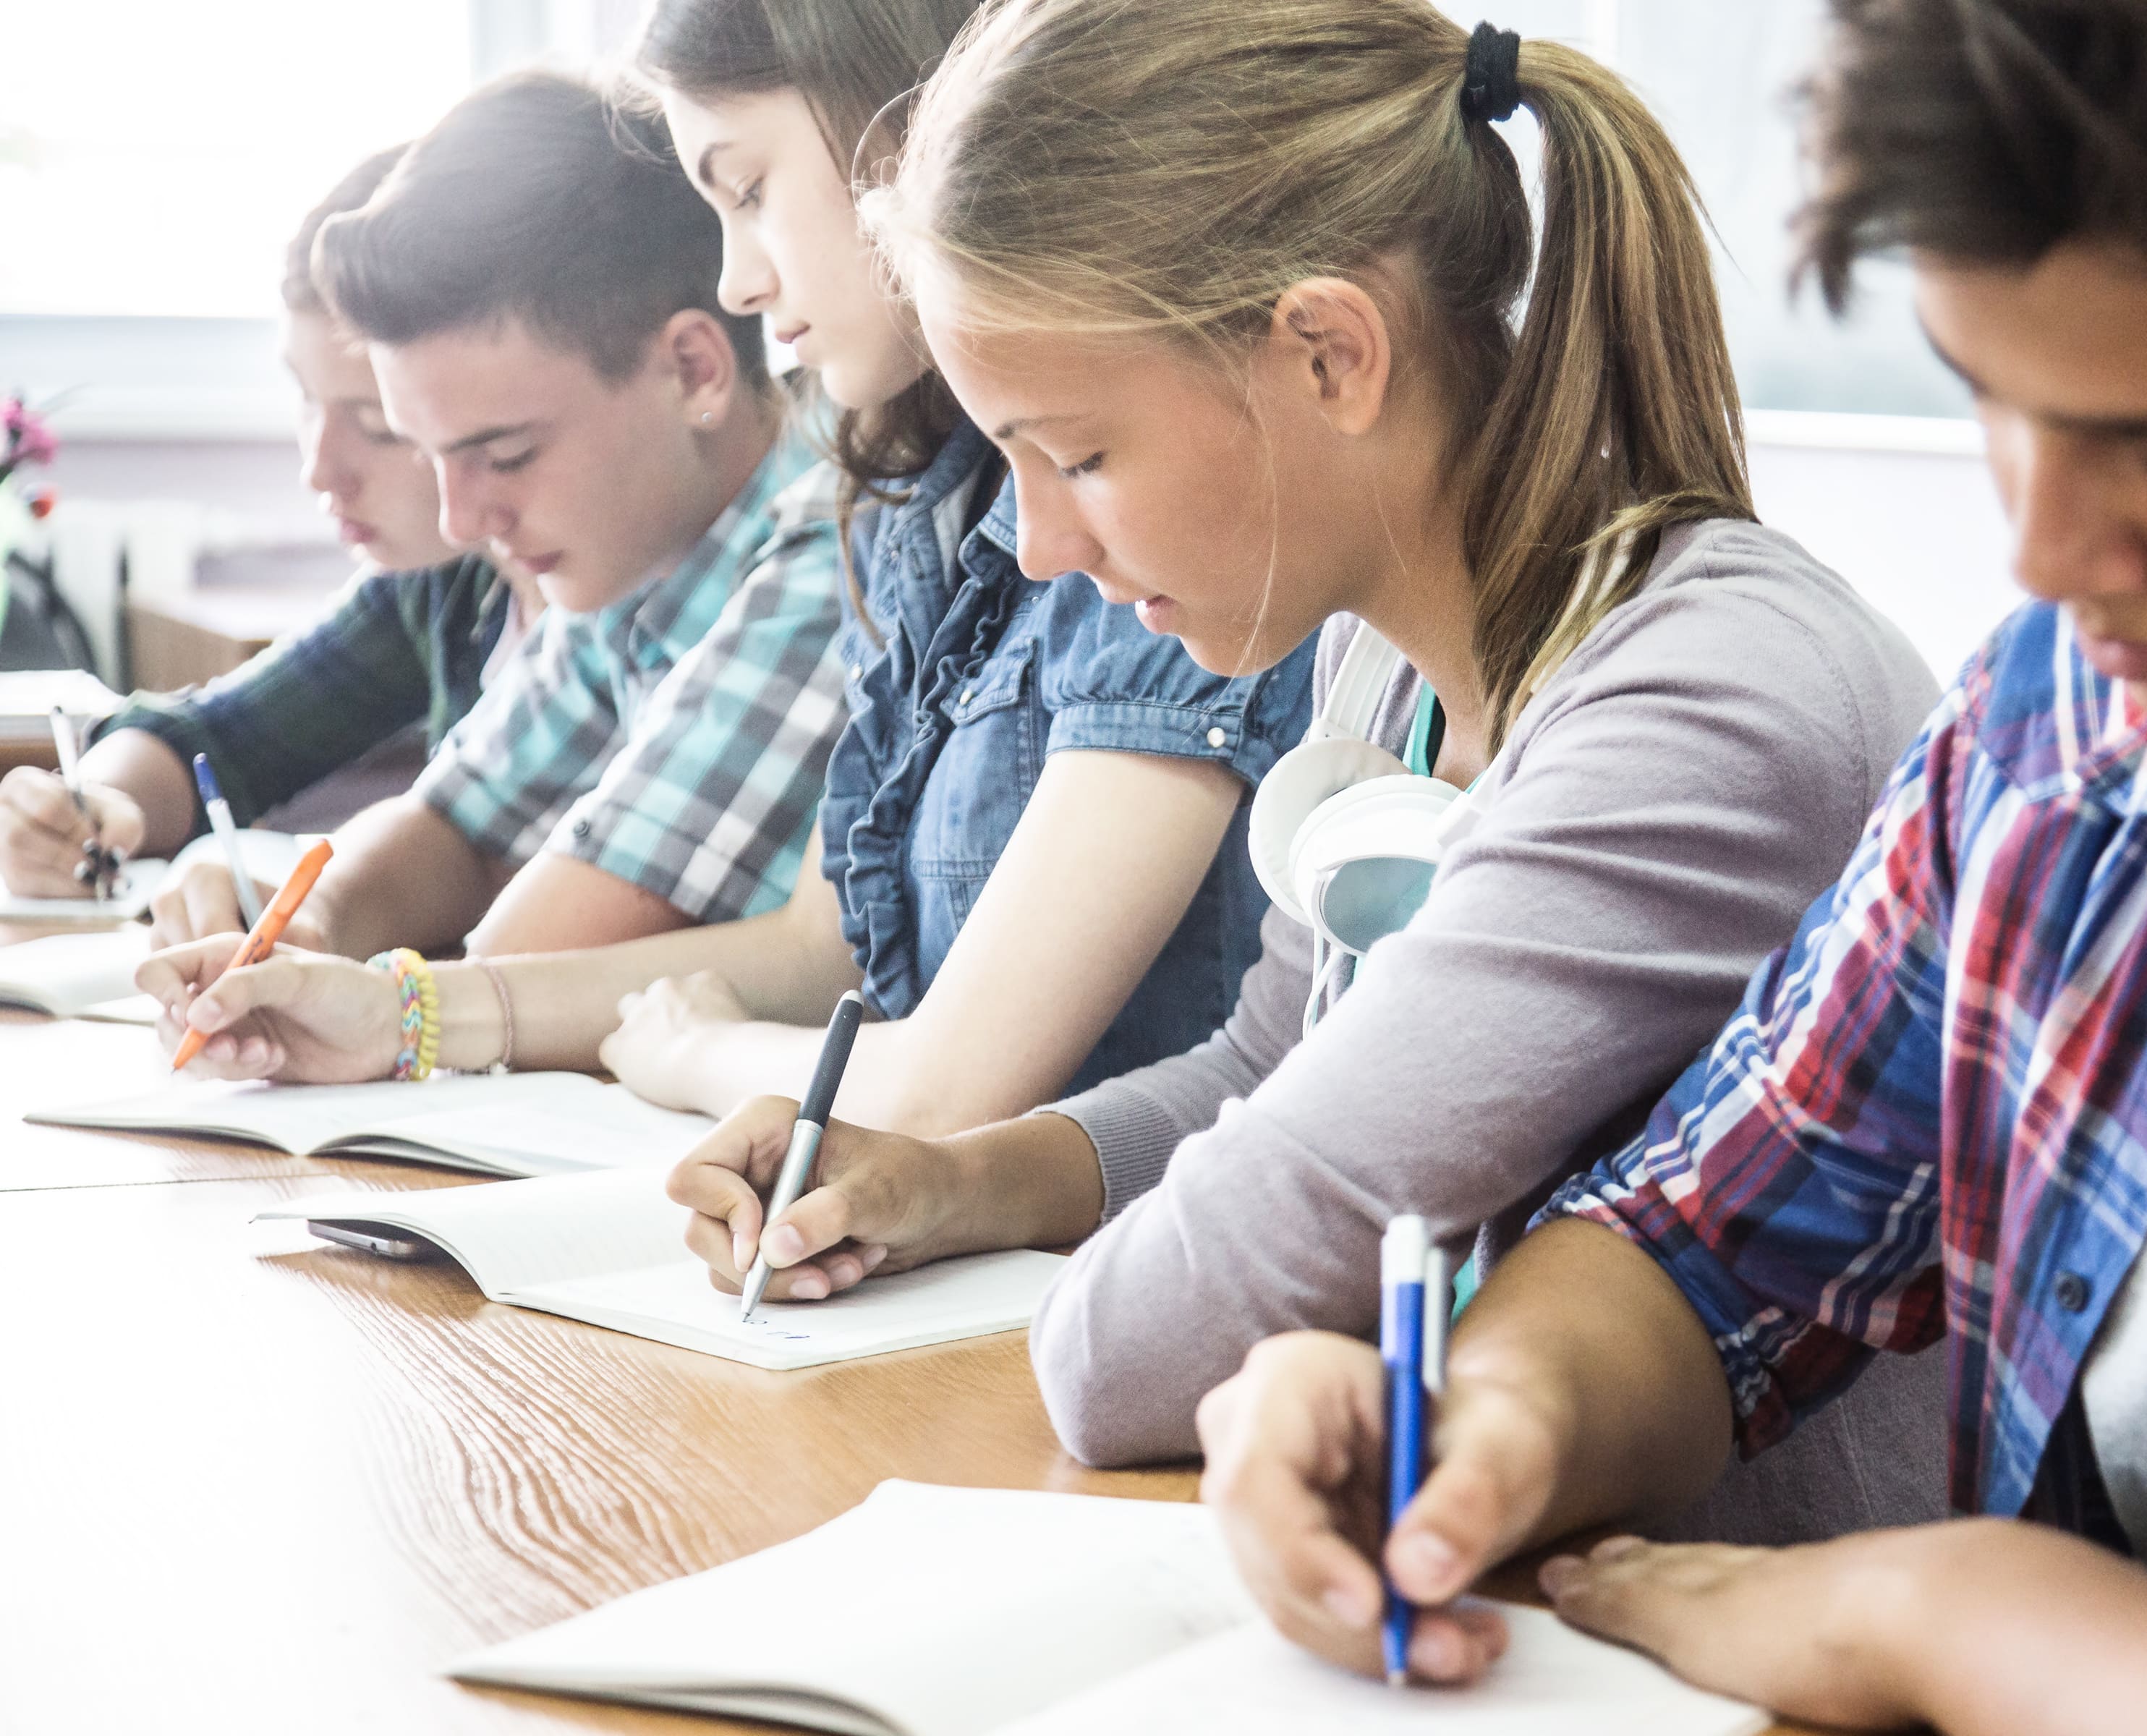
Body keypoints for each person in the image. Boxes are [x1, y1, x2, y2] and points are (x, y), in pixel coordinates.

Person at [1194, 1, 2147, 1729]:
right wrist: (1497, 1420)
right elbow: (1706, 1239)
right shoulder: (2052, 729)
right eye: (1989, 400)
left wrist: (1942, 1617)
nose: (2041, 545)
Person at [661, 0, 1950, 1518]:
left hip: (1726, 1643)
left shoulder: (1709, 706)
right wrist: (957, 1181)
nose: (1038, 539)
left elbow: (1135, 1350)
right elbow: (1274, 1071)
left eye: (1074, 454)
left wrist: (1110, 1267)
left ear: (1331, 355)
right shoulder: (1381, 650)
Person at [137, 0, 1316, 1144]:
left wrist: (698, 1055)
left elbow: (936, 1087)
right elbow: (824, 947)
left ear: (903, 133)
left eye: (750, 193)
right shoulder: (912, 496)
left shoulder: (1147, 515)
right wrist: (397, 1013)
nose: (740, 281)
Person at [144, 71, 852, 961]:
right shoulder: (640, 548)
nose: (463, 519)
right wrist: (308, 926)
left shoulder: (836, 536)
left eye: (505, 455)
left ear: (692, 371)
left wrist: (364, 997)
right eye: (427, 452)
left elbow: (523, 957)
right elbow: (458, 827)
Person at [0, 148, 534, 902]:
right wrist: (93, 808)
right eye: (307, 399)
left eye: (379, 425)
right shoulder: (438, 587)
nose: (320, 469)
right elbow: (218, 738)